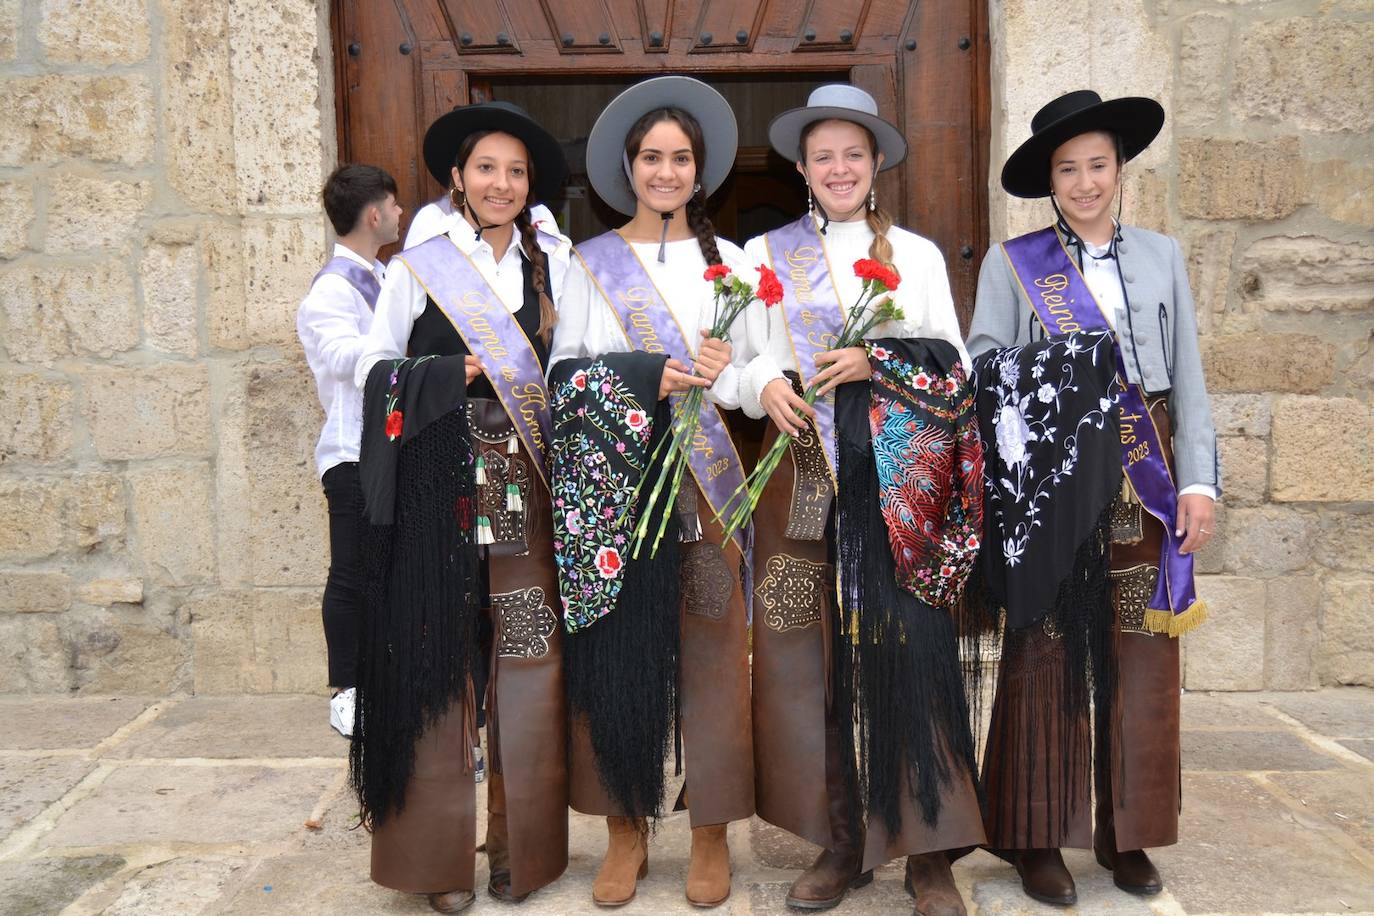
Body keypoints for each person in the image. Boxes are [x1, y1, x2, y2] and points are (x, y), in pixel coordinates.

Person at [733, 84, 985, 916]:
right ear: (802, 168)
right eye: (822, 155)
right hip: (807, 482)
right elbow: (740, 365)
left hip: (899, 487)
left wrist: (882, 364)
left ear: (875, 163)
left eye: (853, 153)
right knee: (821, 664)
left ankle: (928, 850)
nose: (838, 168)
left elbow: (957, 367)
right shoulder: (764, 254)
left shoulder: (914, 253)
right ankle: (843, 840)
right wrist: (764, 379)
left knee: (912, 654)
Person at [967, 89, 1218, 907]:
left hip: (1147, 474)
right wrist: (1061, 375)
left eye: (1097, 165)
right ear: (1050, 179)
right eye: (1068, 169)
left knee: (1141, 649)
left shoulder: (1162, 256)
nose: (1084, 182)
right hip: (1053, 476)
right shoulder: (1014, 264)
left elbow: (1191, 381)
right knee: (1044, 649)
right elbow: (981, 367)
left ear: (1119, 168)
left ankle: (1127, 830)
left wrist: (1198, 481)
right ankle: (1036, 836)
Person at [349, 100, 573, 914]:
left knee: (522, 647)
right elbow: (374, 368)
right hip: (439, 480)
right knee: (437, 651)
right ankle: (438, 857)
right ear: (457, 178)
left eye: (516, 172)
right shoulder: (420, 264)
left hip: (520, 482)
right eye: (486, 169)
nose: (501, 184)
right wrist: (453, 373)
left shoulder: (558, 265)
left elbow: (574, 367)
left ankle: (521, 845)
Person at [546, 75, 753, 909]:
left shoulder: (731, 266)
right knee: (618, 656)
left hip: (705, 483)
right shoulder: (589, 265)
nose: (665, 171)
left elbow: (752, 379)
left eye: (680, 159)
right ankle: (623, 827)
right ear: (627, 168)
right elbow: (563, 380)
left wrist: (726, 371)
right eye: (651, 158)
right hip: (619, 486)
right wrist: (643, 377)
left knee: (710, 651)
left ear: (700, 174)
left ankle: (709, 832)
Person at [296, 163, 401, 738]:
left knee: (384, 572)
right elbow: (338, 355)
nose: (401, 214)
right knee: (352, 573)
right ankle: (348, 689)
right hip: (351, 451)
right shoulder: (336, 286)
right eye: (395, 204)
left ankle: (383, 680)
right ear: (373, 214)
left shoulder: (382, 276)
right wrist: (402, 364)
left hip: (387, 447)